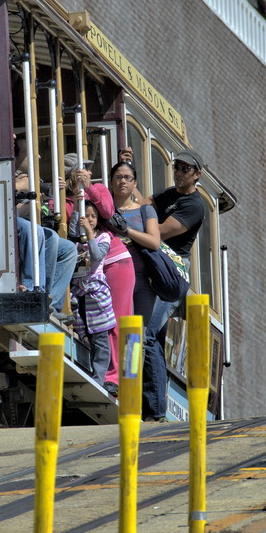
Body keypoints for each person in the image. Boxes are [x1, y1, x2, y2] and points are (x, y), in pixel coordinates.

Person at [119, 147, 207, 421]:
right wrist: (128, 169)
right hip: (153, 264)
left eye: (185, 169)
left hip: (171, 271)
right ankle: (145, 402)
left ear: (197, 175)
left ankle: (155, 410)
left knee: (146, 335)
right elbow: (142, 204)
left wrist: (135, 224)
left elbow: (160, 231)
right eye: (176, 167)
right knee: (148, 336)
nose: (179, 173)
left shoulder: (194, 205)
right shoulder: (169, 194)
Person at [108, 160, 162, 417]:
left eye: (128, 177)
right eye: (118, 176)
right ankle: (116, 385)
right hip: (112, 282)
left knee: (135, 339)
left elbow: (154, 242)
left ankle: (135, 397)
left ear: (135, 183)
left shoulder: (145, 211)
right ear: (111, 181)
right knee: (114, 333)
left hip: (142, 285)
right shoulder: (104, 209)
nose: (122, 181)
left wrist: (126, 230)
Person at [13, 133, 78, 317]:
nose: (39, 157)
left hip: (24, 225)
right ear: (18, 155)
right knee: (34, 230)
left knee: (67, 248)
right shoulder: (9, 174)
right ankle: (34, 288)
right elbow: (6, 213)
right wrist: (23, 189)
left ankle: (52, 301)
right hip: (5, 227)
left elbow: (25, 210)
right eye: (31, 152)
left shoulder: (33, 178)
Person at [68, 184, 117, 389]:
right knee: (83, 335)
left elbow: (97, 257)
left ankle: (99, 379)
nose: (89, 219)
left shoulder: (103, 237)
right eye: (85, 215)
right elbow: (71, 228)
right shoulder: (74, 238)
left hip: (96, 294)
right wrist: (78, 204)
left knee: (100, 339)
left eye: (93, 217)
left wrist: (89, 233)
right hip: (78, 292)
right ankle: (88, 373)